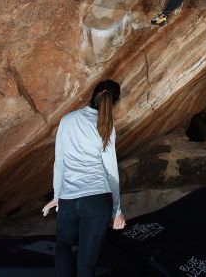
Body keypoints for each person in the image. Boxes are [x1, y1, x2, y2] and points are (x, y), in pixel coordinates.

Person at [42, 80, 126, 277]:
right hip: (97, 201)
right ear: (113, 103)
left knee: (63, 246)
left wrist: (58, 196)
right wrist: (117, 210)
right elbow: (111, 171)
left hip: (70, 199)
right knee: (86, 266)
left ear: (93, 94)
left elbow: (59, 162)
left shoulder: (67, 119)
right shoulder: (106, 126)